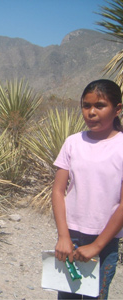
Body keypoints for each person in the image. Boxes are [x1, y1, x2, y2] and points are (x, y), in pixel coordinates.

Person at [52, 79, 123, 299]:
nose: (91, 112)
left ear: (117, 109)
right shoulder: (73, 142)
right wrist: (63, 236)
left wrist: (98, 245)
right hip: (71, 236)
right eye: (86, 105)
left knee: (96, 296)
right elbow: (57, 191)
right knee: (67, 294)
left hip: (106, 241)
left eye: (99, 106)